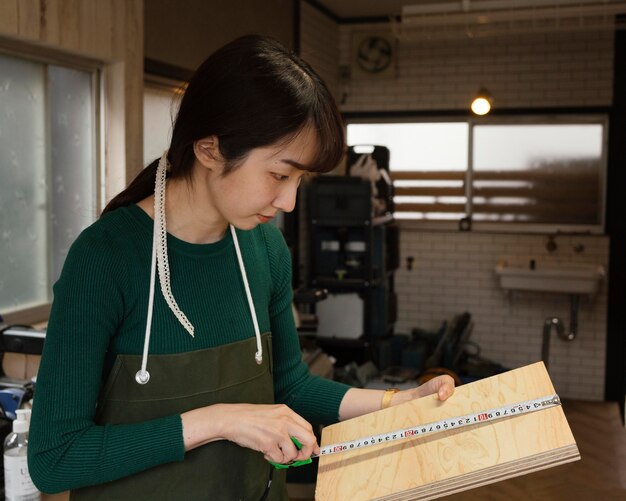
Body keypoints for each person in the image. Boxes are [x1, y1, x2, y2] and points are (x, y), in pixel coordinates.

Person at [28, 35, 455, 500]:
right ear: (209, 150)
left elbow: (289, 383)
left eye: (299, 180)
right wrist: (218, 421)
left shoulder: (265, 250)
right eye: (278, 175)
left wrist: (397, 403)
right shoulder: (106, 258)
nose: (289, 201)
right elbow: (56, 458)